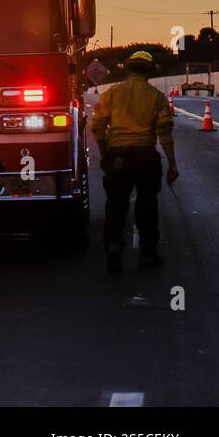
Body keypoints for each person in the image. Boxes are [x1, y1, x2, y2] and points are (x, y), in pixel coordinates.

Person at [90, 50, 177, 273]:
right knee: (147, 205)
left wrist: (105, 155)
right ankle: (148, 254)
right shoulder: (156, 97)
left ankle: (114, 246)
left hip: (118, 156)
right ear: (149, 71)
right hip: (146, 156)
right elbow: (165, 133)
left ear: (128, 69)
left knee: (116, 205)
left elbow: (97, 125)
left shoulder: (111, 93)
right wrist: (172, 165)